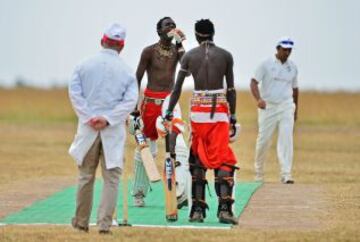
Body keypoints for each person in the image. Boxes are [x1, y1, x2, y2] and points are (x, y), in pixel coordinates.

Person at [166, 19, 239, 225]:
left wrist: (169, 112)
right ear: (213, 33)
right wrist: (233, 116)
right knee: (223, 156)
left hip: (199, 111)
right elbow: (231, 90)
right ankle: (224, 209)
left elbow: (177, 88)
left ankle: (197, 210)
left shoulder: (189, 56)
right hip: (220, 114)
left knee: (198, 155)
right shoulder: (226, 56)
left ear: (197, 36)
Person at [68, 23, 138, 234]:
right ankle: (104, 225)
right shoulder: (126, 71)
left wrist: (90, 117)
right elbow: (130, 101)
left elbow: (75, 93)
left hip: (88, 129)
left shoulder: (83, 65)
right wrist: (107, 119)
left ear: (102, 41)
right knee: (112, 179)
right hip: (112, 131)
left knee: (85, 176)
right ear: (122, 46)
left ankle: (81, 223)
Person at [131, 17, 191, 208]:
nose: (172, 28)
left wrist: (181, 44)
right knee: (146, 150)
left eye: (174, 25)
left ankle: (180, 193)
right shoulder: (149, 51)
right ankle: (139, 193)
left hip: (170, 103)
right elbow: (137, 78)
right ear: (159, 31)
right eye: (167, 25)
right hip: (150, 103)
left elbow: (187, 70)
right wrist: (134, 107)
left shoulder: (176, 50)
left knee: (178, 147)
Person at [250, 37, 299, 184]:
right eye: (284, 49)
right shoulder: (266, 64)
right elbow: (253, 82)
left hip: (286, 106)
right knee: (263, 140)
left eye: (289, 50)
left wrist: (295, 110)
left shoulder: (293, 67)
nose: (287, 52)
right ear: (277, 49)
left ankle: (286, 174)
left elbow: (295, 89)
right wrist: (259, 99)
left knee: (286, 139)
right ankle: (258, 172)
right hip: (268, 106)